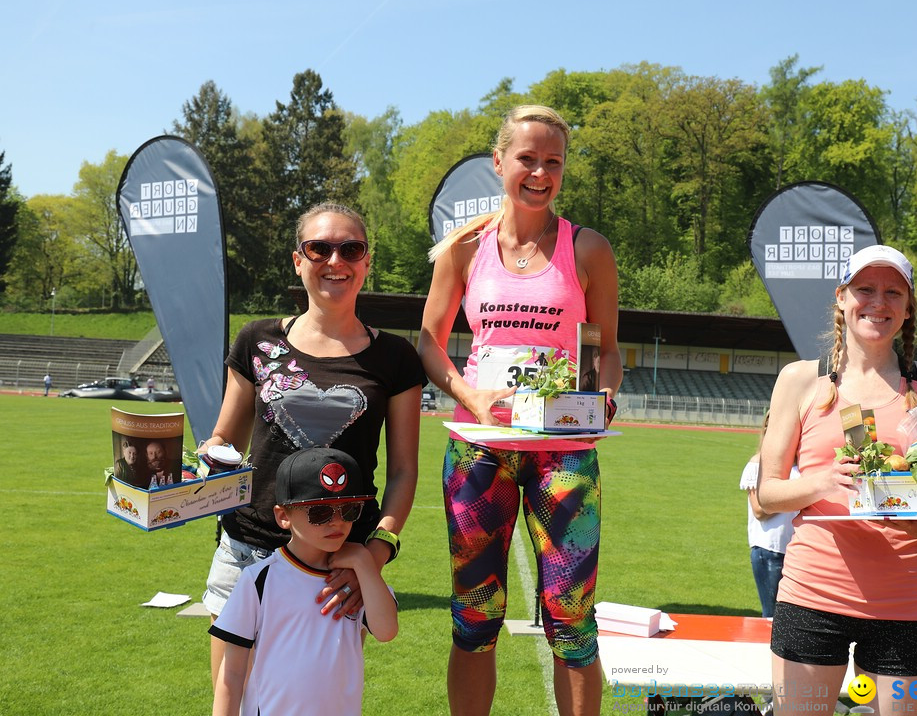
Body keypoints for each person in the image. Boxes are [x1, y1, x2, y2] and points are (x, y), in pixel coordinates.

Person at [418, 105, 621, 716]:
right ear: (499, 162)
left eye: (552, 161)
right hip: (480, 452)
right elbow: (429, 340)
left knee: (572, 617)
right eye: (526, 159)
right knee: (475, 613)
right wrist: (469, 394)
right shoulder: (464, 249)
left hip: (563, 454)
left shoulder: (588, 249)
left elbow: (608, 352)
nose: (539, 172)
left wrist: (604, 398)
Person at [201, 201, 425, 690]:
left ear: (366, 261)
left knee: (318, 698)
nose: (335, 261)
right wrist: (200, 462)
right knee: (233, 694)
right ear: (297, 260)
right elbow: (225, 442)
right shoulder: (256, 341)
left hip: (334, 566)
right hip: (248, 551)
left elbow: (404, 471)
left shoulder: (395, 357)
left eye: (351, 249)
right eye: (319, 248)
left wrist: (375, 554)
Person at [756, 244, 917, 715]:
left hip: (904, 600)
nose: (878, 302)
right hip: (812, 595)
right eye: (864, 289)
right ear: (841, 298)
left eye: (894, 292)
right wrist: (822, 483)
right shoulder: (800, 380)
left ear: (908, 308)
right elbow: (767, 494)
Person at [210, 447, 397, 716]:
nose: (337, 522)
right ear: (283, 516)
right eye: (319, 512)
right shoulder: (259, 580)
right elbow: (232, 674)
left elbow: (387, 630)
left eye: (349, 510)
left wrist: (365, 562)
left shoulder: (357, 581)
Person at [739, 412, 799, 618]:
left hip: (797, 550)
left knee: (793, 618)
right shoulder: (758, 464)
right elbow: (759, 510)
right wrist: (796, 495)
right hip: (770, 549)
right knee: (772, 617)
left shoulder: (801, 466)